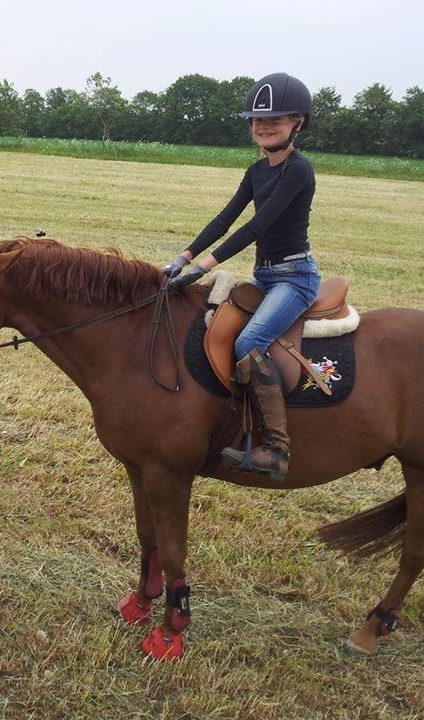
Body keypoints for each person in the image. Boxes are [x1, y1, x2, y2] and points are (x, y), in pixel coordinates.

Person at [163, 72, 320, 482]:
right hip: (265, 276)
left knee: (250, 341)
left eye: (276, 119)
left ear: (297, 124)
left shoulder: (298, 171)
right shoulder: (256, 171)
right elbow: (226, 219)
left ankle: (276, 449)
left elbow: (257, 228)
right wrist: (183, 257)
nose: (264, 127)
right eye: (257, 120)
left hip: (295, 278)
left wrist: (203, 268)